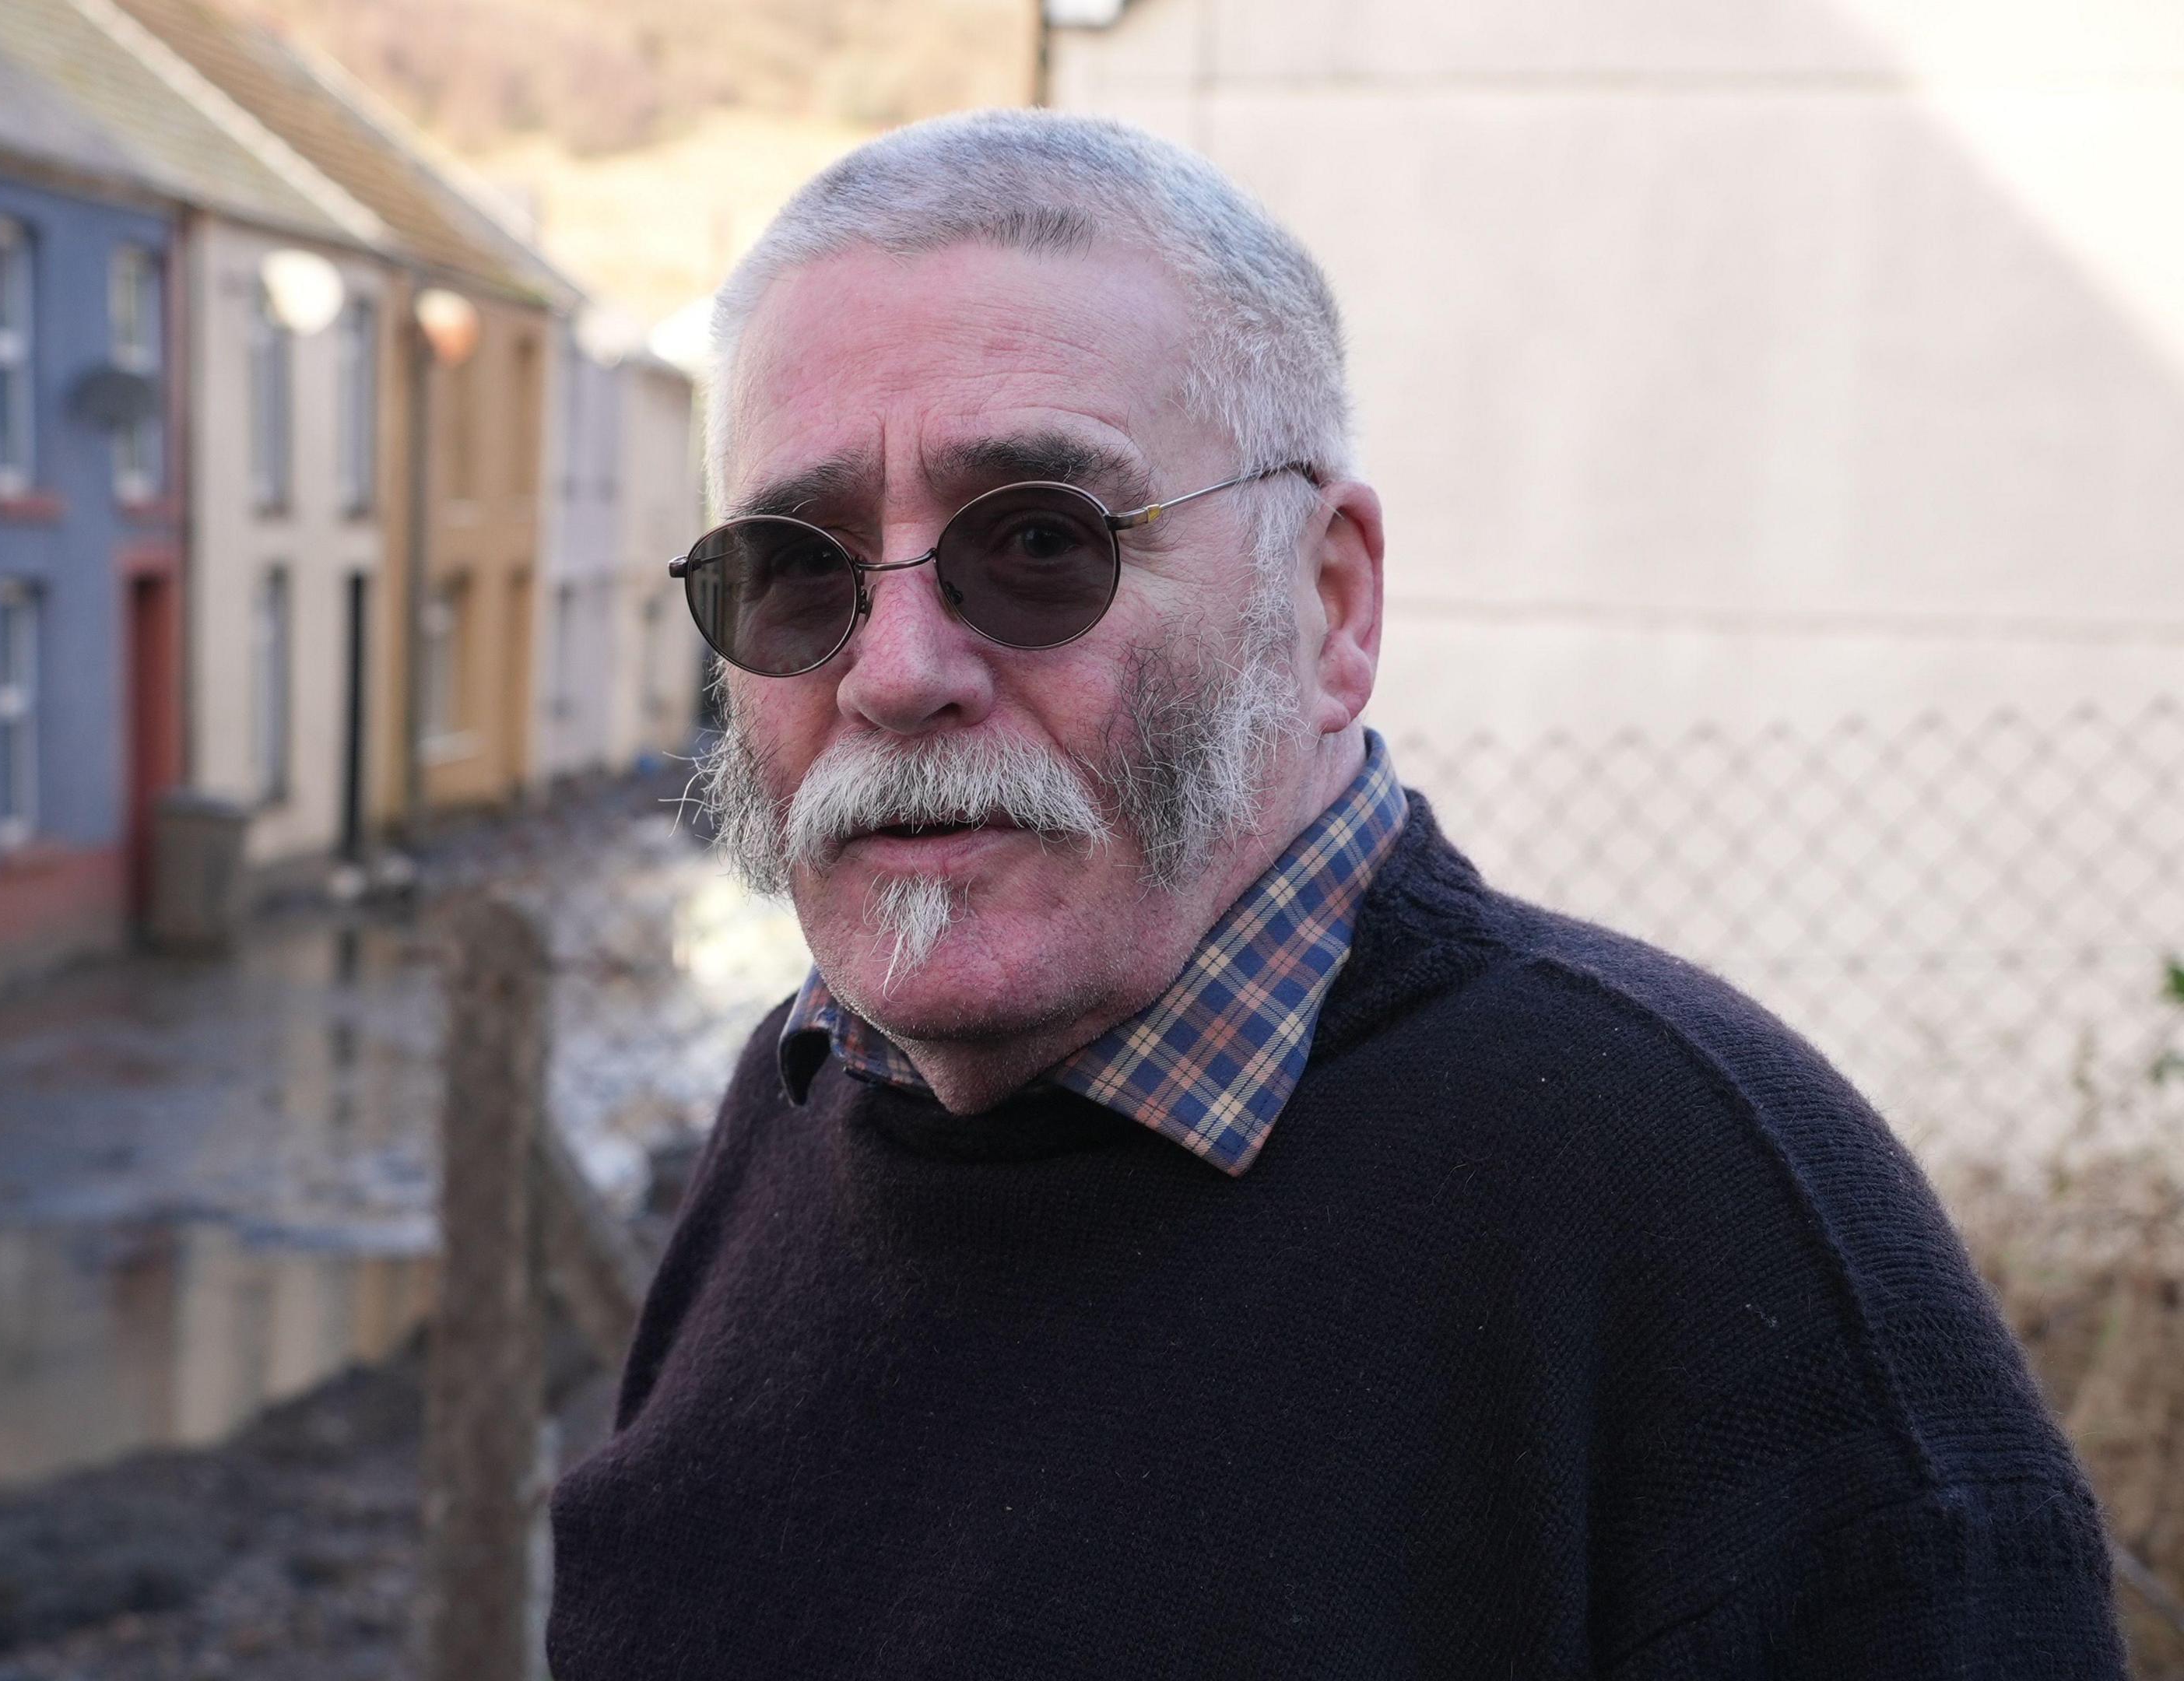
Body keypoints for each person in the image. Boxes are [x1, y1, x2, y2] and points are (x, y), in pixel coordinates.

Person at [545, 110, 2122, 1678]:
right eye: (799, 568)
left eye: (1038, 542)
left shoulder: (1710, 1238)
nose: (894, 671)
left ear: (1331, 605)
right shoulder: (794, 1102)